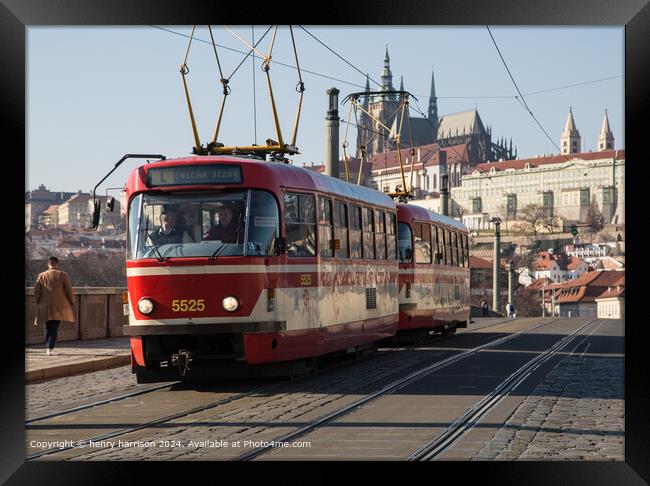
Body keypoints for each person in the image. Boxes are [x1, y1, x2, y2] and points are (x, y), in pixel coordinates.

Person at [34, 257, 75, 356]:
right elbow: (69, 290)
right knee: (54, 327)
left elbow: (36, 290)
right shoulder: (63, 275)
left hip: (44, 305)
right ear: (57, 264)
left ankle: (48, 346)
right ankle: (50, 347)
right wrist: (72, 301)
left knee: (47, 326)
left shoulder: (41, 275)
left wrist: (39, 301)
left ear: (48, 264)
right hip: (58, 306)